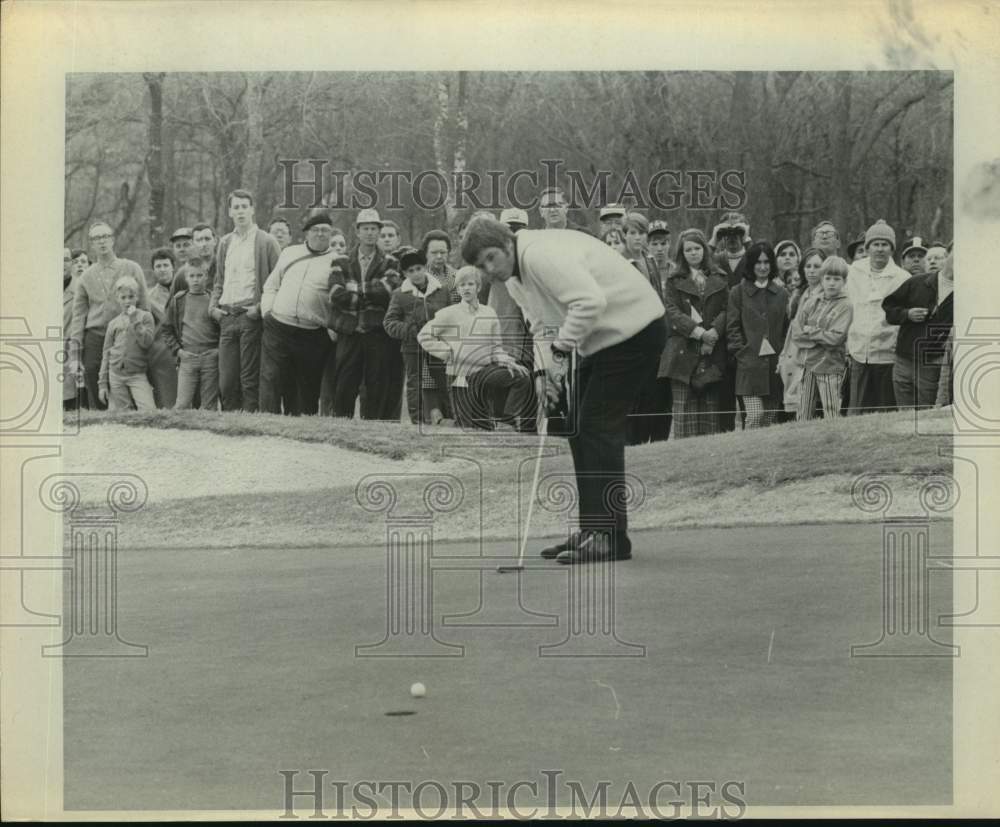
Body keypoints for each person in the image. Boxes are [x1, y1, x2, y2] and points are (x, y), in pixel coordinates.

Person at [462, 215, 666, 564]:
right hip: (601, 340)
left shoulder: (539, 255)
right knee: (578, 428)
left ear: (507, 243)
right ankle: (593, 529)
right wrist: (544, 373)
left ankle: (611, 537)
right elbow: (541, 325)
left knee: (596, 428)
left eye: (491, 258)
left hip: (635, 330)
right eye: (481, 265)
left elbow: (589, 302)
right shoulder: (514, 278)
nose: (489, 270)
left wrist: (560, 351)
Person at [417, 266, 532, 430]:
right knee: (466, 427)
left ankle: (506, 419)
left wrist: (508, 362)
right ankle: (441, 421)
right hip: (459, 376)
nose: (466, 288)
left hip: (484, 374)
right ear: (457, 289)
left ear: (478, 287)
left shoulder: (489, 313)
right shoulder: (449, 314)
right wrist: (448, 353)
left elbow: (496, 348)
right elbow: (424, 336)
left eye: (470, 284)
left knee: (522, 376)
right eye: (462, 285)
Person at [258, 212, 341, 416]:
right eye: (315, 230)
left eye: (325, 231)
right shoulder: (289, 252)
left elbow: (340, 300)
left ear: (331, 234)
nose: (320, 234)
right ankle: (268, 428)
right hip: (278, 326)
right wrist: (267, 312)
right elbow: (271, 285)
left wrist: (331, 326)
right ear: (306, 234)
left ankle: (299, 436)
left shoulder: (338, 261)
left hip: (312, 333)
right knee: (271, 380)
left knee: (306, 389)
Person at [209, 189, 282, 412]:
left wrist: (259, 309)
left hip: (251, 317)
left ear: (252, 209)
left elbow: (278, 282)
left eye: (244, 207)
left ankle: (251, 432)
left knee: (249, 380)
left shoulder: (266, 242)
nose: (240, 211)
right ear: (230, 212)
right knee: (227, 382)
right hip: (227, 318)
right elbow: (219, 280)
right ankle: (230, 432)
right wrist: (213, 308)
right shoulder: (224, 243)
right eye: (236, 207)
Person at [327, 208, 402, 419]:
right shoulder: (340, 260)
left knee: (375, 386)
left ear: (378, 232)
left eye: (374, 229)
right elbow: (335, 294)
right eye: (365, 228)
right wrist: (369, 291)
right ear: (357, 232)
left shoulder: (391, 262)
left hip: (376, 333)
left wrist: (353, 290)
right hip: (350, 333)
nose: (370, 233)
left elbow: (386, 292)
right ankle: (341, 432)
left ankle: (371, 431)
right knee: (344, 385)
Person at [69, 221, 150, 410]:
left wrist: (142, 333)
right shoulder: (86, 277)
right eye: (97, 238)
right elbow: (78, 317)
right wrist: (75, 354)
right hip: (95, 337)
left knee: (128, 386)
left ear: (112, 240)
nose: (102, 242)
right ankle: (100, 428)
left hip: (125, 334)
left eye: (105, 236)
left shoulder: (132, 268)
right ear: (91, 244)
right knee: (95, 383)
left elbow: (145, 306)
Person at [660, 228, 728, 439]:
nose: (693, 253)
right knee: (684, 417)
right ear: (682, 253)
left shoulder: (719, 276)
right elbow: (671, 311)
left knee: (710, 417)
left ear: (705, 250)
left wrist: (714, 333)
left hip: (713, 353)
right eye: (688, 249)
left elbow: (728, 308)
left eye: (697, 248)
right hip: (682, 353)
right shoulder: (673, 280)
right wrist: (699, 333)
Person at [845, 219, 909, 415]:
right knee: (856, 410)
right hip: (858, 352)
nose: (880, 249)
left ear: (892, 249)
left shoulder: (902, 277)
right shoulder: (853, 272)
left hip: (886, 354)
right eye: (875, 244)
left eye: (885, 245)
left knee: (884, 411)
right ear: (868, 247)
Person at [881, 239, 954, 411]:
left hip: (932, 364)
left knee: (925, 416)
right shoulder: (917, 282)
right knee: (903, 415)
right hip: (903, 360)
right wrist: (907, 314)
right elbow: (889, 309)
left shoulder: (969, 292)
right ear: (948, 255)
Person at [384, 247, 453, 424]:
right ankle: (417, 420)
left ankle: (452, 416)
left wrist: (443, 336)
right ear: (405, 274)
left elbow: (451, 318)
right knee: (414, 383)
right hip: (412, 346)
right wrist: (410, 330)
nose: (416, 274)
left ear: (425, 267)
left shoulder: (442, 290)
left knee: (445, 380)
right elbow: (389, 322)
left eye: (419, 269)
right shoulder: (400, 295)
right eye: (410, 271)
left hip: (437, 344)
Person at [726, 241, 789, 429]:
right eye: (758, 262)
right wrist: (743, 354)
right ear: (751, 264)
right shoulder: (738, 292)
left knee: (769, 420)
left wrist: (783, 356)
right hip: (749, 368)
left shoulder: (781, 293)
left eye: (767, 262)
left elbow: (787, 329)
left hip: (774, 367)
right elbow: (732, 328)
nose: (762, 267)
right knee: (754, 416)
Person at [791, 256, 853, 420]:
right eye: (827, 278)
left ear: (844, 281)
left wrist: (811, 331)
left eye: (836, 279)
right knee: (803, 411)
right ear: (821, 279)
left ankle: (834, 442)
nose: (831, 283)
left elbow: (835, 339)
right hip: (808, 364)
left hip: (830, 364)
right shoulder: (813, 301)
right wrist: (820, 336)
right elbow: (796, 332)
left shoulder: (845, 305)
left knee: (831, 410)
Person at [159, 255, 220, 411]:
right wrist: (178, 352)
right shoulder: (179, 300)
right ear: (185, 277)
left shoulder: (213, 299)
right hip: (188, 358)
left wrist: (217, 351)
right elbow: (166, 329)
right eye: (192, 276)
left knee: (209, 406)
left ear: (206, 276)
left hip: (210, 357)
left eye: (199, 275)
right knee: (182, 404)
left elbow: (223, 328)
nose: (196, 280)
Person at [777, 247, 826, 418]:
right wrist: (784, 357)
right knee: (799, 414)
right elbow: (792, 332)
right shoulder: (800, 294)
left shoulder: (828, 294)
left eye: (817, 266)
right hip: (794, 360)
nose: (812, 271)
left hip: (816, 360)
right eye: (808, 266)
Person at [97, 275, 156, 411]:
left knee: (149, 411)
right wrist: (102, 384)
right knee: (120, 415)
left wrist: (135, 320)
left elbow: (146, 343)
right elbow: (106, 354)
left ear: (137, 297)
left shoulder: (145, 317)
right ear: (118, 299)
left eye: (131, 297)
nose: (127, 301)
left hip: (137, 373)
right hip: (115, 374)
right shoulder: (113, 323)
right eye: (123, 298)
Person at [146, 248, 181, 409]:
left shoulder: (184, 290)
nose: (162, 269)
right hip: (161, 352)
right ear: (153, 270)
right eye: (158, 266)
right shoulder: (148, 297)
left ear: (173, 267)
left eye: (166, 265)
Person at [709, 211, 751, 287]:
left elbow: (758, 259)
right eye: (726, 231)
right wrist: (714, 240)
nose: (732, 235)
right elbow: (701, 262)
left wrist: (746, 239)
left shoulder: (751, 258)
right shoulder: (716, 259)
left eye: (738, 231)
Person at [62, 248, 81, 410]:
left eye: (66, 259)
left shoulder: (80, 288)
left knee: (71, 401)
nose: (62, 264)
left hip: (71, 350)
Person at [646, 219, 674, 284]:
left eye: (663, 244)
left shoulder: (677, 271)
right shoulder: (643, 271)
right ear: (647, 245)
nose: (659, 249)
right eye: (654, 244)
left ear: (669, 244)